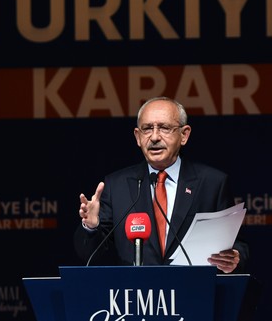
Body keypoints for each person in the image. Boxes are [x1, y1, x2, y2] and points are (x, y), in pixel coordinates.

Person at [74, 96, 249, 273]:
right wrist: (91, 227)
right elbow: (89, 255)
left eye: (164, 128)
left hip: (193, 293)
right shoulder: (116, 186)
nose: (155, 137)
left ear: (184, 135)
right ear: (138, 137)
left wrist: (233, 258)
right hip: (138, 296)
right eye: (147, 129)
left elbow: (237, 245)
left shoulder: (212, 183)